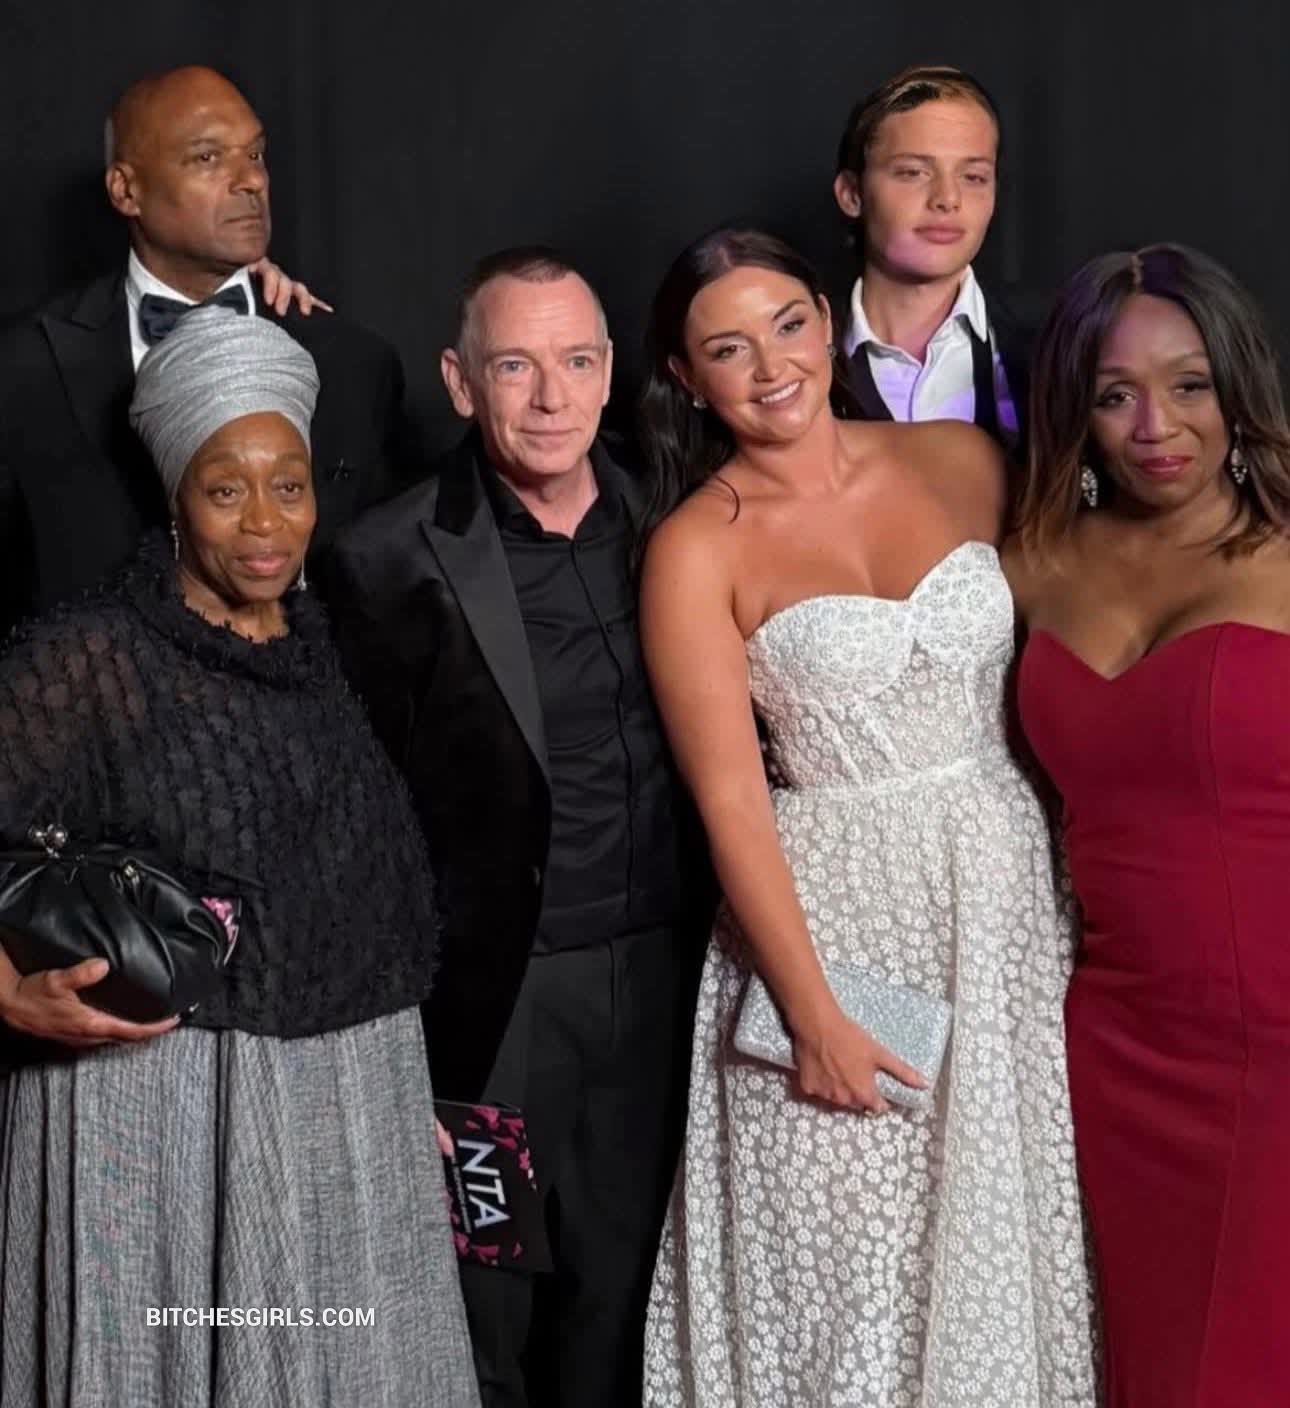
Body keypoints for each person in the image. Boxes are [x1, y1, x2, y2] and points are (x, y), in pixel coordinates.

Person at [637, 228, 1096, 1407]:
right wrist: (813, 1013)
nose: (772, 366)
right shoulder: (695, 548)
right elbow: (730, 797)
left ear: (824, 317)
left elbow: (1075, 639)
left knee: (1000, 1237)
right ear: (687, 377)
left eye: (789, 324)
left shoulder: (962, 458)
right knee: (852, 1282)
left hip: (1002, 904)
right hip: (833, 924)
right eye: (727, 349)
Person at [0, 307, 479, 1408]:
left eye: (289, 485)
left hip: (344, 1109)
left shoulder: (330, 641)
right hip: (152, 1123)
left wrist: (397, 1105)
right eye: (226, 489)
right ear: (176, 496)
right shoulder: (97, 657)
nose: (266, 522)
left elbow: (353, 899)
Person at [328, 248, 708, 1408]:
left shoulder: (679, 516)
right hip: (494, 1009)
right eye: (514, 366)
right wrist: (392, 1059)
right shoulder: (386, 558)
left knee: (622, 1309)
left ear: (611, 371)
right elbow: (354, 825)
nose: (551, 397)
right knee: (484, 1306)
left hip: (661, 989)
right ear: (459, 381)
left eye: (577, 361)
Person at [1007, 243, 1290, 1408]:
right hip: (1114, 1044)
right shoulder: (1031, 561)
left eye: (1189, 385)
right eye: (1114, 394)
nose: (1155, 426)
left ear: (1239, 387)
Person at [0, 64, 410, 636]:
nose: (252, 181)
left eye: (256, 155)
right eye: (208, 158)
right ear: (126, 190)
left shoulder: (355, 364)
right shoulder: (21, 371)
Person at [832, 64, 1032, 446]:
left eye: (973, 177)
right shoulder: (796, 360)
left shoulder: (1046, 351)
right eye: (913, 172)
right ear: (852, 194)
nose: (948, 199)